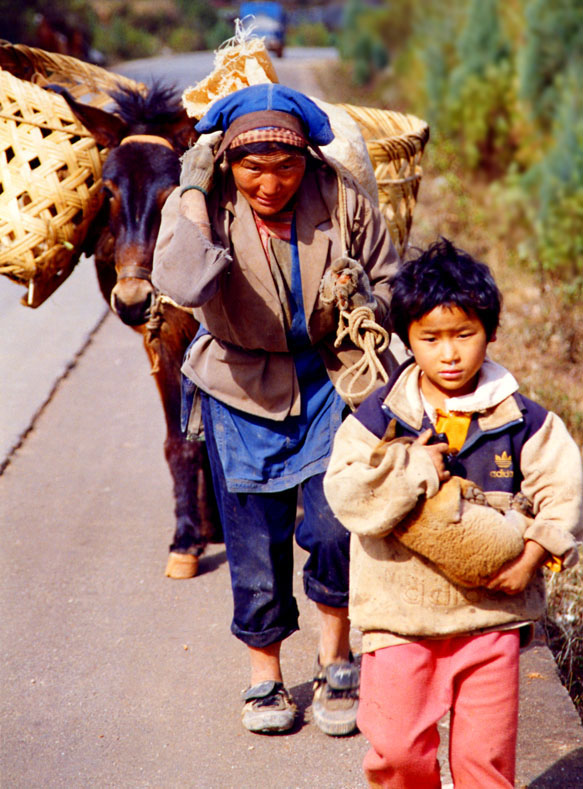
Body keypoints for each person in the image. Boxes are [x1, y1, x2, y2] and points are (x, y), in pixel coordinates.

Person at [152, 83, 399, 735]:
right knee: (253, 539)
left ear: (308, 162)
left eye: (285, 166)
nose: (269, 182)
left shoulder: (340, 197)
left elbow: (389, 274)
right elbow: (182, 281)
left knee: (333, 525)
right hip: (236, 386)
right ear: (227, 163)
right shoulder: (203, 201)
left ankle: (334, 656)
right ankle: (264, 675)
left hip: (330, 378)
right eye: (251, 166)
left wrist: (370, 302)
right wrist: (196, 192)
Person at [323, 238, 583, 786]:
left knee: (482, 762)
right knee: (395, 753)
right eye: (430, 338)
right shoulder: (383, 414)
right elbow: (344, 489)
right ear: (406, 340)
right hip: (399, 616)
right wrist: (412, 468)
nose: (449, 354)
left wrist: (533, 555)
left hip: (488, 617)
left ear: (490, 332)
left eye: (464, 335)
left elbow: (563, 489)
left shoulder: (524, 419)